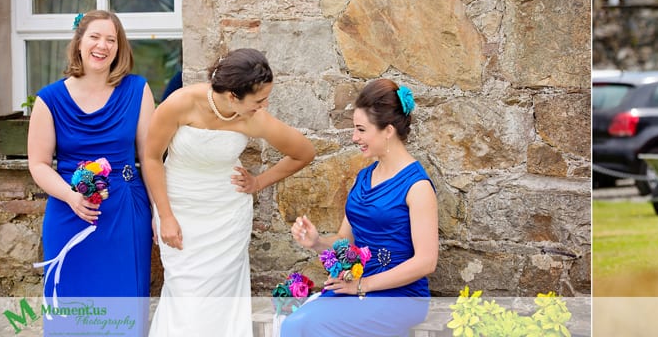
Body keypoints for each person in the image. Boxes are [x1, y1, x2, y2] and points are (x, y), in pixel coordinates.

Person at [142, 48, 316, 336]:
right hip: (180, 211)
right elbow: (150, 158)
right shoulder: (180, 103)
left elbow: (303, 152)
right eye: (259, 100)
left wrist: (259, 182)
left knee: (220, 302)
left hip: (227, 218)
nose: (264, 105)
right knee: (185, 296)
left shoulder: (254, 118)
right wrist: (165, 215)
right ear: (233, 96)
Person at [28, 9, 153, 335]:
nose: (103, 46)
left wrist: (160, 211)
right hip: (70, 211)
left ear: (119, 46)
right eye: (95, 37)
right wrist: (71, 197)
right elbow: (38, 164)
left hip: (125, 209)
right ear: (79, 42)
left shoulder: (138, 91)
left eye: (111, 39)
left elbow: (150, 157)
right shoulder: (49, 99)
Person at [280, 79, 437, 336]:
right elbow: (345, 240)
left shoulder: (417, 186)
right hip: (355, 286)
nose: (355, 138)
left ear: (388, 130)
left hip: (400, 297)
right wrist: (317, 242)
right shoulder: (364, 178)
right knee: (294, 324)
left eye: (361, 130)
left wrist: (363, 285)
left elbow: (426, 262)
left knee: (305, 324)